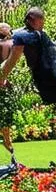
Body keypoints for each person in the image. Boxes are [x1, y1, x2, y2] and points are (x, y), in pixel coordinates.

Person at [0, 7, 56, 108]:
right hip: (54, 75)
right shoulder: (41, 34)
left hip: (44, 76)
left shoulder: (25, 35)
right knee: (54, 106)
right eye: (42, 20)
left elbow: (12, 60)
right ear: (34, 20)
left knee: (51, 106)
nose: (43, 24)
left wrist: (2, 77)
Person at [0, 24, 16, 160]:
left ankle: (7, 142)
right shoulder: (8, 44)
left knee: (5, 119)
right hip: (3, 85)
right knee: (4, 119)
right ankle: (7, 142)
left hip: (4, 85)